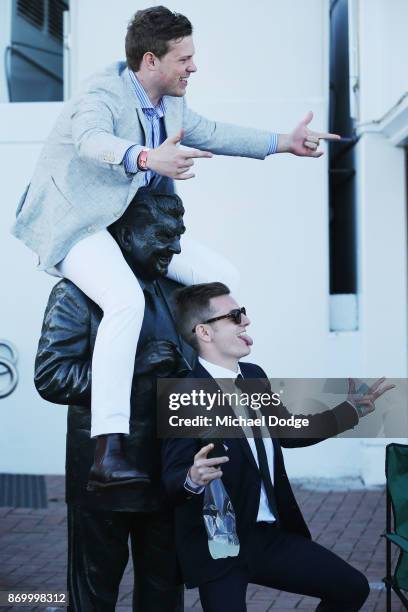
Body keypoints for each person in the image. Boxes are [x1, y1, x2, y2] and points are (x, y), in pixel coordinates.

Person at [11, 6, 340, 488]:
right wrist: (144, 156)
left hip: (124, 225)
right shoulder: (103, 94)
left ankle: (200, 394)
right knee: (124, 300)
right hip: (76, 224)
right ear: (151, 60)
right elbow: (89, 140)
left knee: (221, 279)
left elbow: (213, 133)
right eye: (184, 58)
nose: (193, 67)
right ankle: (108, 447)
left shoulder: (171, 103)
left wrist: (282, 141)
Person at [161, 282, 395, 611]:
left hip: (268, 538)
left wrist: (351, 410)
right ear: (205, 332)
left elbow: (287, 431)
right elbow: (171, 481)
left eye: (243, 314)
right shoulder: (184, 393)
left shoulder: (254, 376)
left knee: (352, 588)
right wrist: (192, 478)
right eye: (235, 316)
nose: (246, 321)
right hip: (220, 545)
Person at [34, 189, 195, 611]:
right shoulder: (77, 296)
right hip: (100, 479)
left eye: (178, 235)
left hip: (167, 471)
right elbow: (51, 376)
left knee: (163, 593)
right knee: (93, 595)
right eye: (163, 235)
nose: (175, 247)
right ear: (125, 234)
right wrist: (134, 366)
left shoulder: (177, 295)